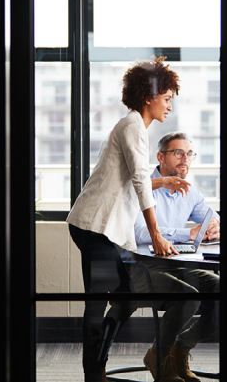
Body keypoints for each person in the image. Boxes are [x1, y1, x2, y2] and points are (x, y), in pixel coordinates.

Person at [66, 57, 187, 382]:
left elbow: (133, 176)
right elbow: (137, 179)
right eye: (166, 99)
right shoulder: (133, 125)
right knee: (98, 301)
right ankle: (94, 374)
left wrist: (161, 182)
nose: (169, 107)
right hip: (95, 226)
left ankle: (98, 364)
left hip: (103, 229)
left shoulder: (134, 127)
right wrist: (157, 234)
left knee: (127, 295)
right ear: (149, 96)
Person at [131, 132, 220, 382]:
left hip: (180, 263)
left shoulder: (189, 190)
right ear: (160, 157)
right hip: (143, 265)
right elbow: (140, 233)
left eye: (189, 153)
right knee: (187, 296)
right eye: (178, 153)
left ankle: (180, 349)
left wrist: (215, 227)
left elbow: (212, 217)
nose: (185, 159)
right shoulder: (144, 186)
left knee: (224, 290)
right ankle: (160, 358)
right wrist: (187, 233)